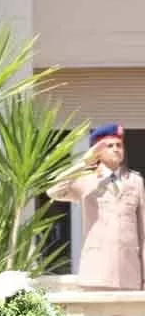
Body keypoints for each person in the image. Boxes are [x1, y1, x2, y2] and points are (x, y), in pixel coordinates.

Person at [50, 123, 145, 291]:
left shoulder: (135, 181)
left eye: (119, 145)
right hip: (97, 273)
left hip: (130, 275)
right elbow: (54, 191)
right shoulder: (87, 179)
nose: (116, 149)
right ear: (97, 152)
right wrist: (83, 163)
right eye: (109, 146)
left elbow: (142, 232)